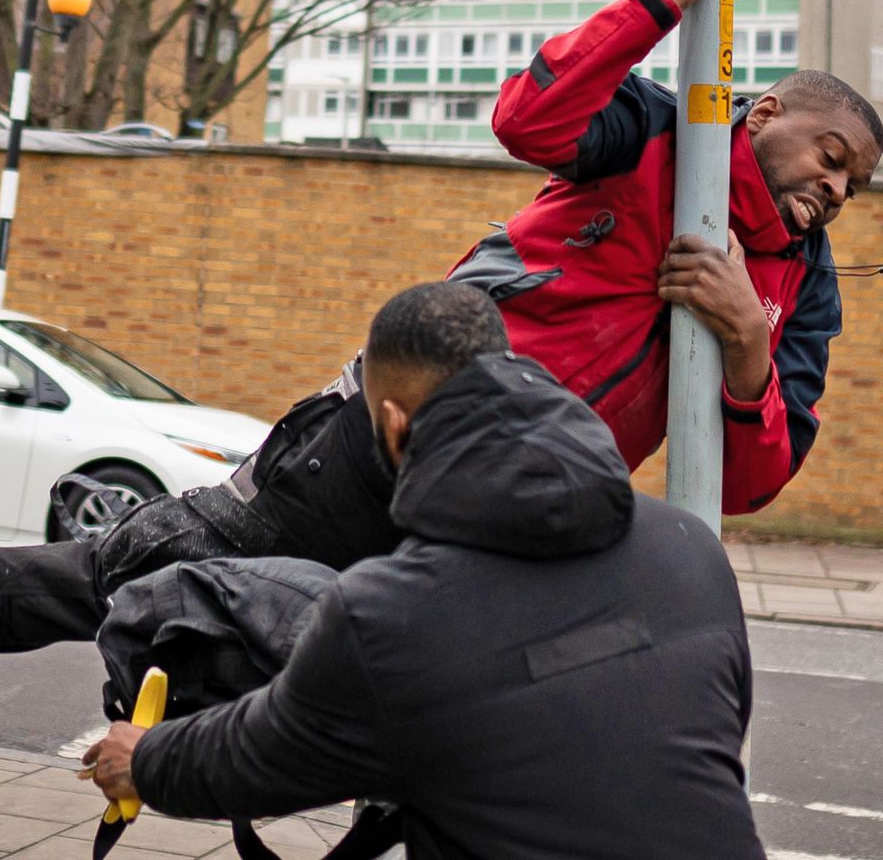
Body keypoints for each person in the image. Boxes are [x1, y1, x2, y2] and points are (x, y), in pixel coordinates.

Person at [0, 0, 883, 764]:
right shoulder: (651, 136)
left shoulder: (800, 287)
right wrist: (660, 0)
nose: (833, 189)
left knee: (455, 721)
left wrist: (742, 343)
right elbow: (530, 115)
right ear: (767, 111)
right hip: (380, 443)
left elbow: (746, 481)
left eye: (853, 186)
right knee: (136, 566)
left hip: (515, 517)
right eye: (829, 157)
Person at [82, 283, 765, 860]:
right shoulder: (689, 548)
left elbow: (254, 759)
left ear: (394, 424)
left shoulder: (391, 616)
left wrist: (142, 759)